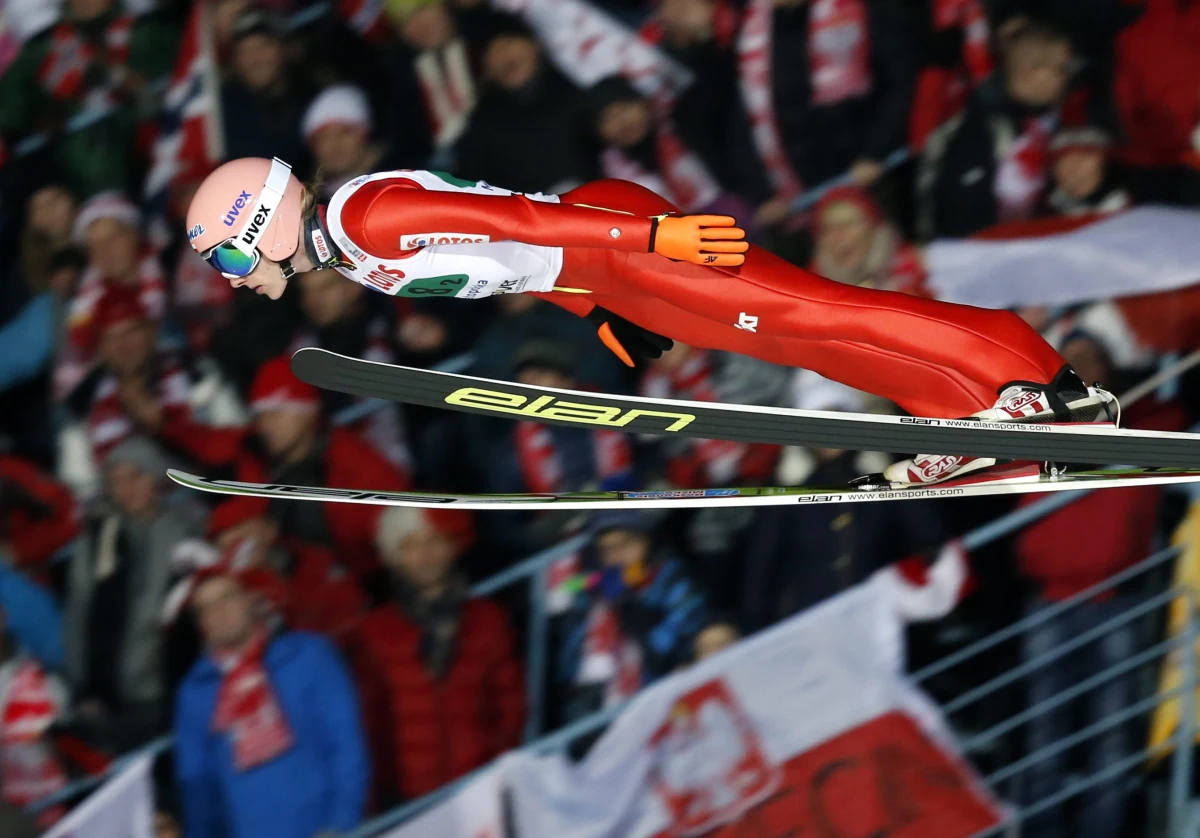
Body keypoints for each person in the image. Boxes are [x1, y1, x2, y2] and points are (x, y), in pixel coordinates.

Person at [183, 156, 1115, 487]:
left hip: (613, 235)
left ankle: (1036, 376)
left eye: (227, 258)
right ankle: (967, 413)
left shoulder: (361, 219)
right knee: (793, 339)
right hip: (600, 268)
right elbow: (510, 260)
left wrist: (649, 231)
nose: (232, 280)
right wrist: (603, 318)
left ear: (257, 230)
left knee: (811, 308)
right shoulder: (350, 253)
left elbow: (524, 220)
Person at [174, 559, 369, 838]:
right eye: (206, 609)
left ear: (251, 599)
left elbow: (347, 745)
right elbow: (199, 791)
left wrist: (341, 823)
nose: (219, 613)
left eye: (227, 598)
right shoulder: (195, 692)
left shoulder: (309, 655)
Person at [353, 506, 522, 803]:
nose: (425, 554)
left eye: (434, 540)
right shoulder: (375, 631)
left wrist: (496, 763)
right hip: (410, 799)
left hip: (482, 788)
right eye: (411, 545)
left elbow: (510, 703)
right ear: (395, 556)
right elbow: (371, 721)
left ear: (452, 546)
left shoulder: (487, 618)